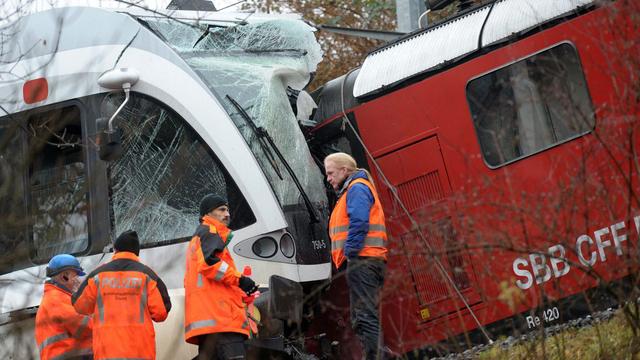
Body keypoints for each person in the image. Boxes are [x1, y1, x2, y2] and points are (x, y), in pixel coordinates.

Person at [324, 152, 388, 360]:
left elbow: (359, 222)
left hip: (362, 260)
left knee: (364, 317)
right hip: (366, 260)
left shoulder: (356, 188)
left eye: (331, 173)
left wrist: (349, 253)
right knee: (362, 317)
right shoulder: (354, 189)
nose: (328, 178)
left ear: (344, 170)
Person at [72, 230, 171, 359]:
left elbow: (79, 305)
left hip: (107, 353)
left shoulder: (97, 276)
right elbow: (161, 313)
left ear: (116, 250)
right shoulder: (148, 275)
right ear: (136, 253)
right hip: (140, 353)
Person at [184, 194, 259, 360]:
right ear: (207, 214)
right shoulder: (209, 231)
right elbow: (210, 264)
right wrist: (241, 280)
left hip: (211, 324)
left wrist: (241, 293)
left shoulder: (201, 238)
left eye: (228, 210)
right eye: (222, 209)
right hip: (222, 322)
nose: (227, 214)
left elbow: (214, 281)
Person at [35, 254, 93, 360]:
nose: (78, 281)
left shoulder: (57, 296)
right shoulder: (56, 298)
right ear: (64, 276)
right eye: (75, 276)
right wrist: (104, 326)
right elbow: (81, 326)